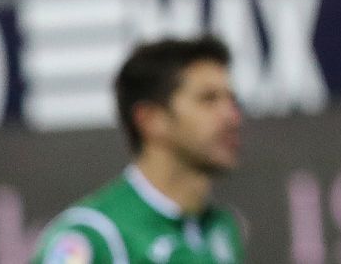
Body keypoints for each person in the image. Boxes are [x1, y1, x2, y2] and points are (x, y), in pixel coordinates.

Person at [31, 37, 245, 264]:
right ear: (150, 120)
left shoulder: (221, 229)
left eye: (231, 100)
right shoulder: (92, 237)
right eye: (208, 100)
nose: (232, 117)